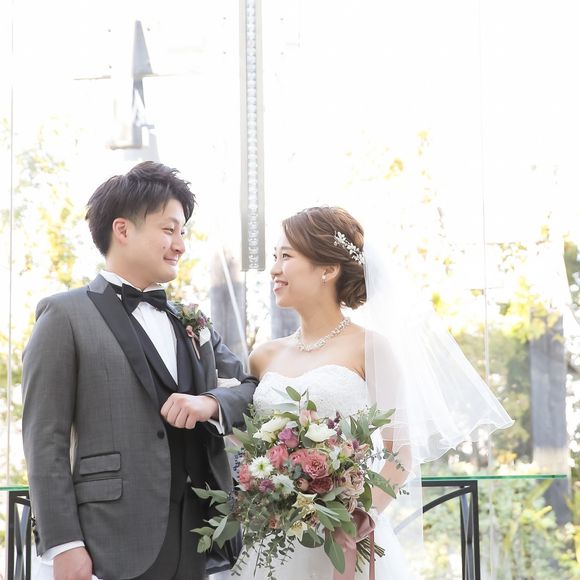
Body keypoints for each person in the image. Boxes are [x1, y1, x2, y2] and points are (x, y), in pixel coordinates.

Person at [232, 206, 513, 579]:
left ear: (328, 269)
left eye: (286, 256)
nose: (274, 269)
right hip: (272, 544)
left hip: (346, 534)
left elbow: (401, 454)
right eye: (274, 256)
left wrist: (359, 520)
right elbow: (247, 447)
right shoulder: (263, 356)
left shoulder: (371, 348)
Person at [22, 161, 258, 580]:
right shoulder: (64, 315)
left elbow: (249, 389)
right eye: (169, 230)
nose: (180, 245)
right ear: (123, 230)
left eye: (183, 232)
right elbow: (44, 438)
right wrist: (65, 544)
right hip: (110, 540)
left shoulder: (191, 319)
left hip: (199, 534)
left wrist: (209, 403)